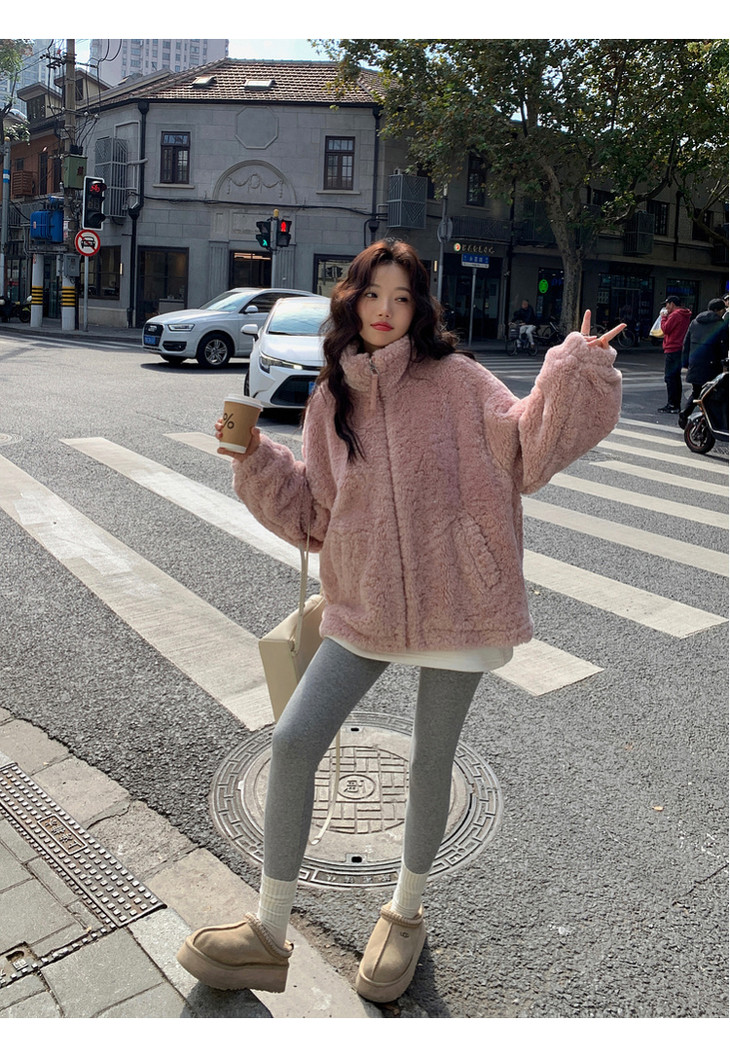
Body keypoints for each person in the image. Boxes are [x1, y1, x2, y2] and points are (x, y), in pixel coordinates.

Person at [176, 240, 623, 1004]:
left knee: (429, 761)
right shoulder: (330, 399)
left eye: (402, 297)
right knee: (293, 740)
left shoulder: (458, 380)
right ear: (351, 300)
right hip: (366, 601)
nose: (385, 310)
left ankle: (406, 913)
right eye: (373, 294)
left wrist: (573, 370)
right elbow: (316, 515)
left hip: (459, 599)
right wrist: (253, 456)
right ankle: (267, 931)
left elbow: (526, 449)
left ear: (419, 307)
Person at [678, 298, 729, 427]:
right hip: (712, 365)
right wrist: (725, 364)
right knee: (713, 394)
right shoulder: (721, 325)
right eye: (723, 309)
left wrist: (686, 363)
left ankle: (685, 413)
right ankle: (710, 422)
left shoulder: (695, 322)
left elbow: (686, 344)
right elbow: (723, 347)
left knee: (697, 391)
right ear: (718, 310)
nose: (724, 312)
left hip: (695, 363)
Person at [657, 295, 692, 413]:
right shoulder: (685, 314)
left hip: (672, 348)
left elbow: (665, 329)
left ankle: (672, 404)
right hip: (679, 348)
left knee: (670, 377)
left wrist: (663, 317)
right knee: (676, 377)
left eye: (667, 304)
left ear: (672, 304)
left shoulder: (675, 315)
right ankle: (675, 404)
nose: (666, 307)